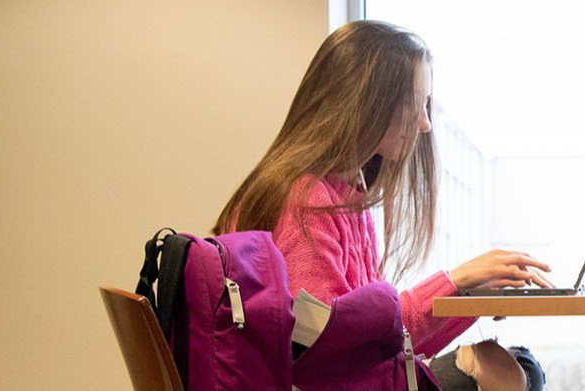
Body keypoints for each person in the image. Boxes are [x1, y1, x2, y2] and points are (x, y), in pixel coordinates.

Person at [212, 20, 552, 369]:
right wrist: (456, 281)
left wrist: (468, 297)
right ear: (364, 102)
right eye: (413, 104)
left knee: (520, 365)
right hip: (330, 378)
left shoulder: (347, 198)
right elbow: (337, 345)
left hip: (348, 374)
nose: (424, 124)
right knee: (510, 369)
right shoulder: (306, 200)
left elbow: (384, 339)